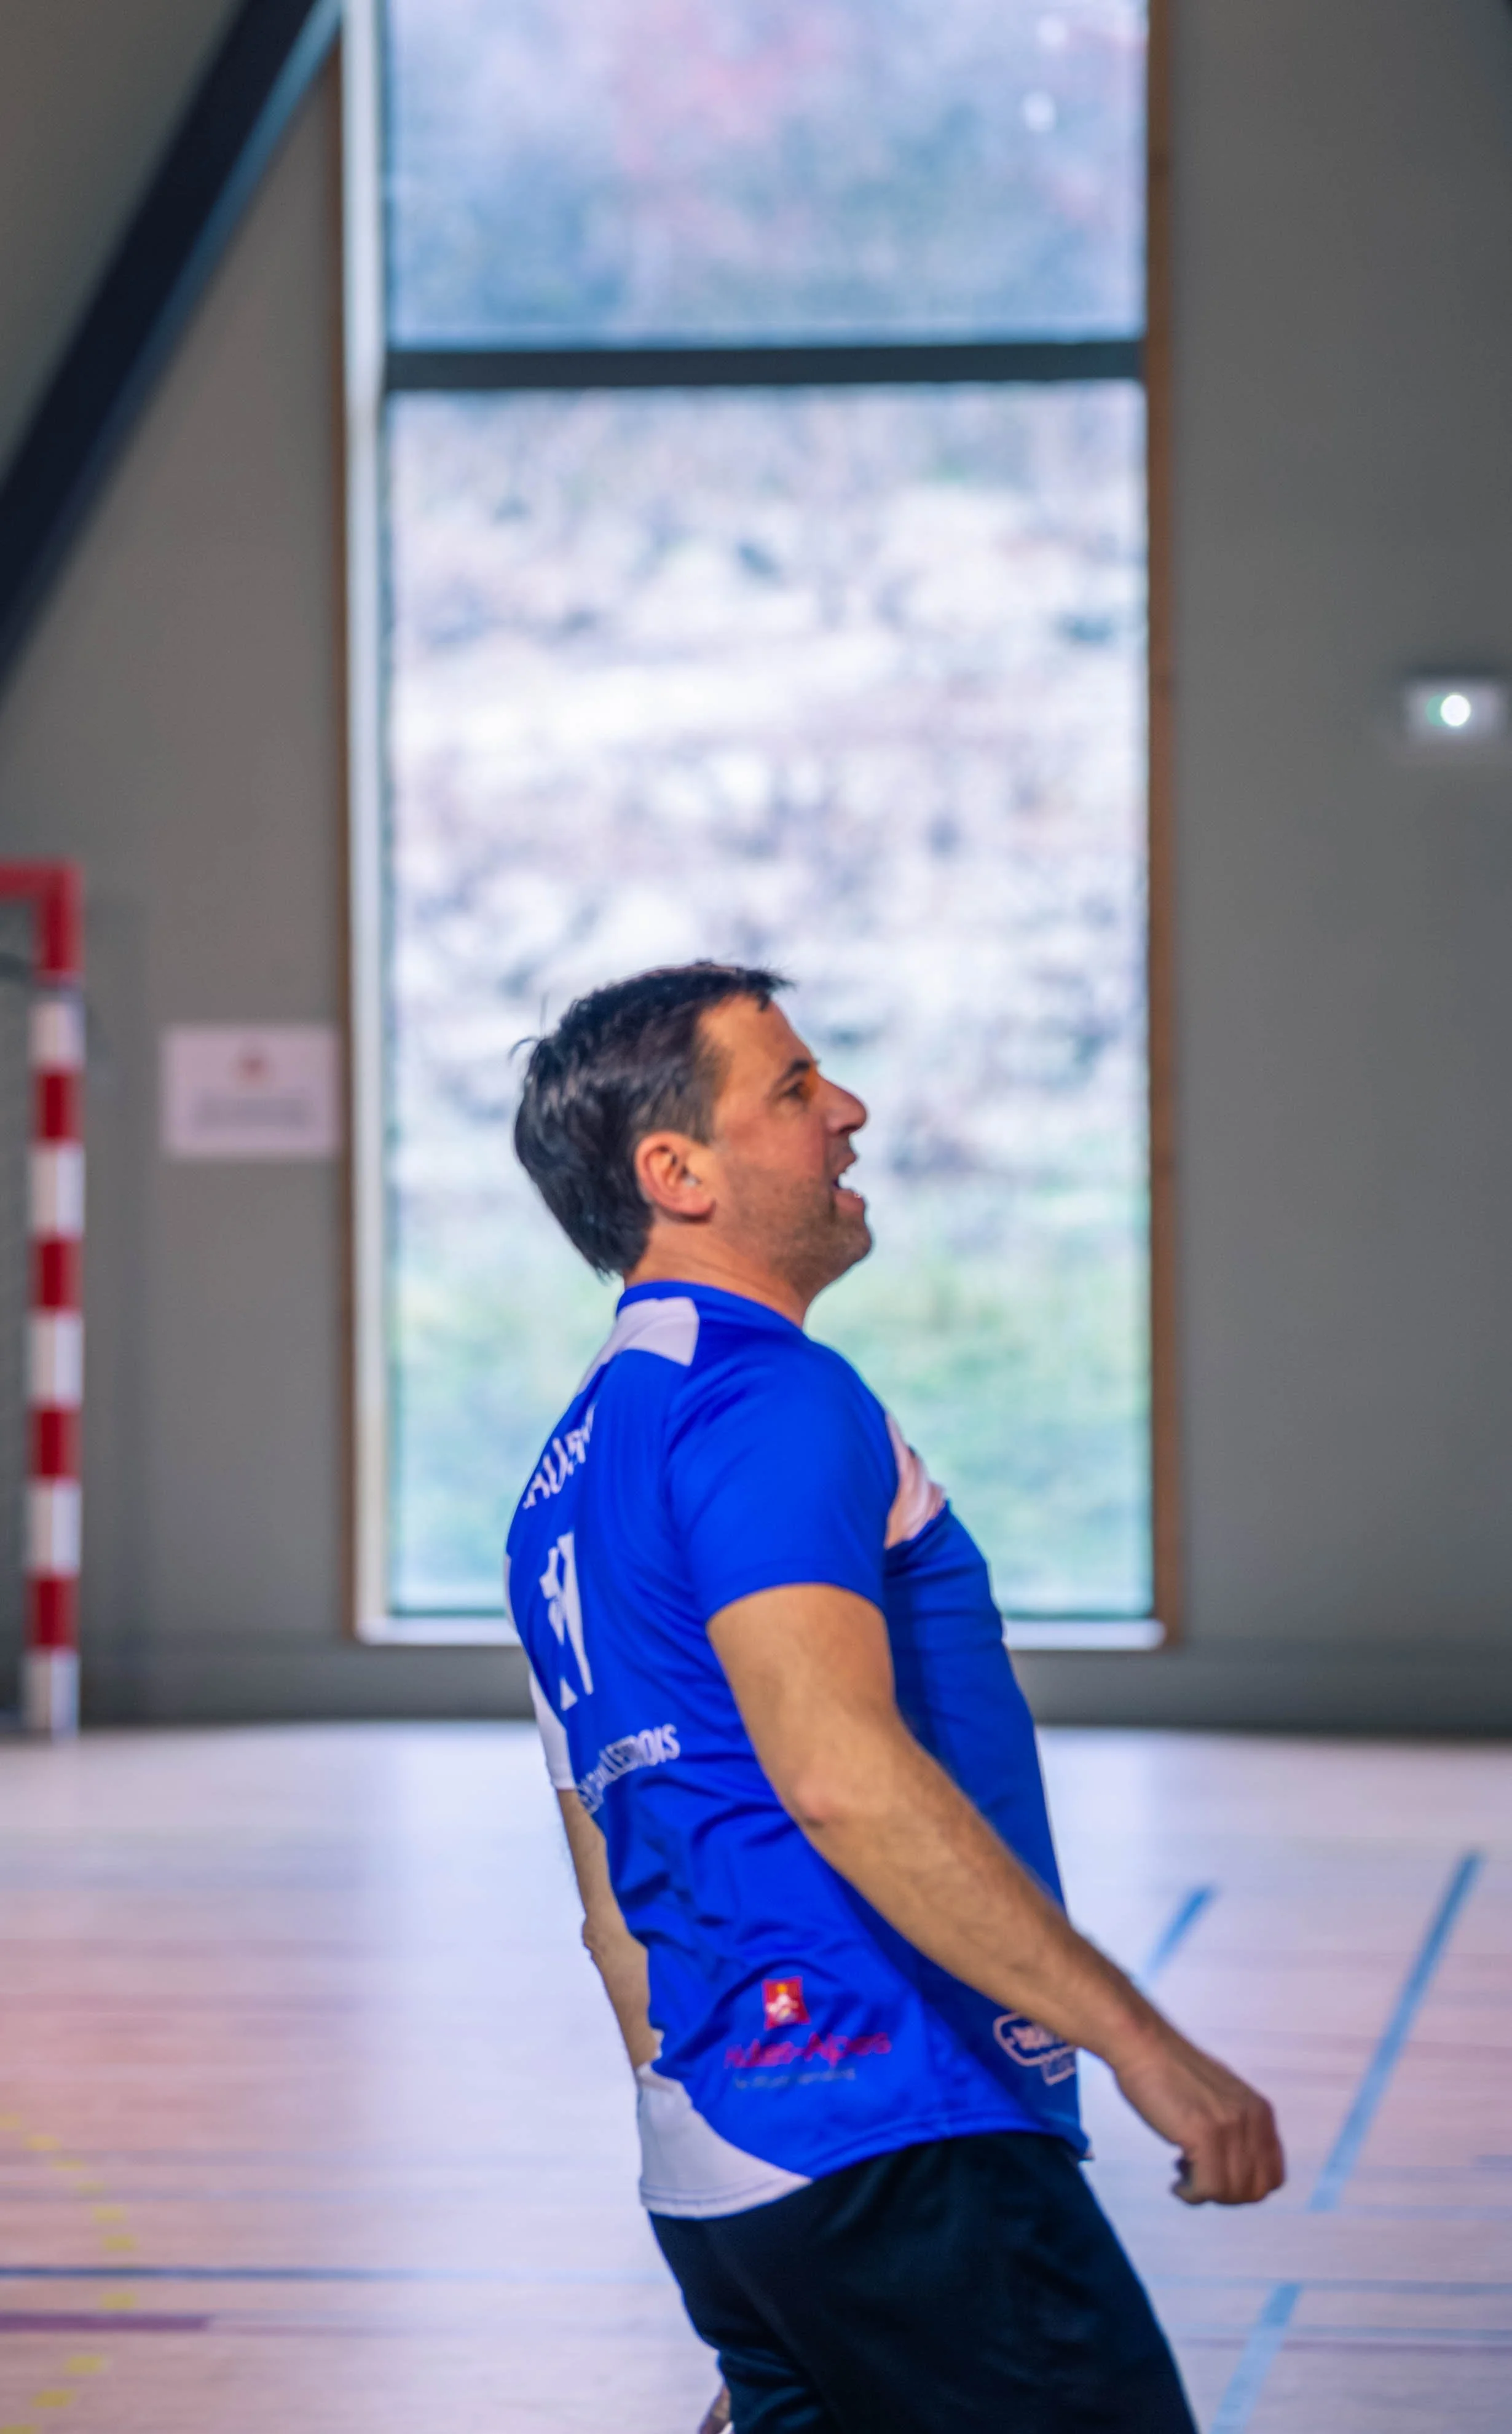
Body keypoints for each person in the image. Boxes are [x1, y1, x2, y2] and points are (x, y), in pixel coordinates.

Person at [506, 963, 1284, 2434]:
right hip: (900, 2120)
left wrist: (757, 2232)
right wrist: (1144, 2044)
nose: (847, 1113)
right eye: (794, 1089)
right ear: (675, 1171)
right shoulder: (768, 1397)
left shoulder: (558, 1490)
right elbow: (841, 1770)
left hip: (726, 2173)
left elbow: (616, 1913)